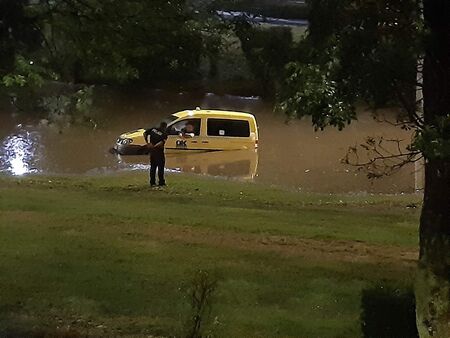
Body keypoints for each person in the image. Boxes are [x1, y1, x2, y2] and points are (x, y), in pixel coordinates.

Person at [144, 121, 168, 187]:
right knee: (160, 167)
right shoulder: (164, 134)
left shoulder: (153, 129)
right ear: (165, 127)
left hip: (152, 151)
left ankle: (152, 182)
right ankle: (161, 182)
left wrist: (148, 143)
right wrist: (155, 146)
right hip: (159, 152)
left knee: (153, 167)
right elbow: (162, 142)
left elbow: (145, 133)